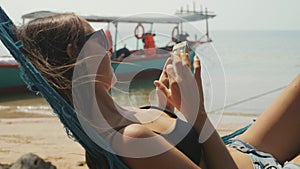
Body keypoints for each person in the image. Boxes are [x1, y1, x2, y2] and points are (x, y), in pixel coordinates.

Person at [16, 13, 300, 169]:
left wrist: (167, 108)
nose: (110, 47)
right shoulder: (130, 139)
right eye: (100, 38)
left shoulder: (111, 123)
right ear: (76, 53)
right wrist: (197, 113)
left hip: (244, 150)